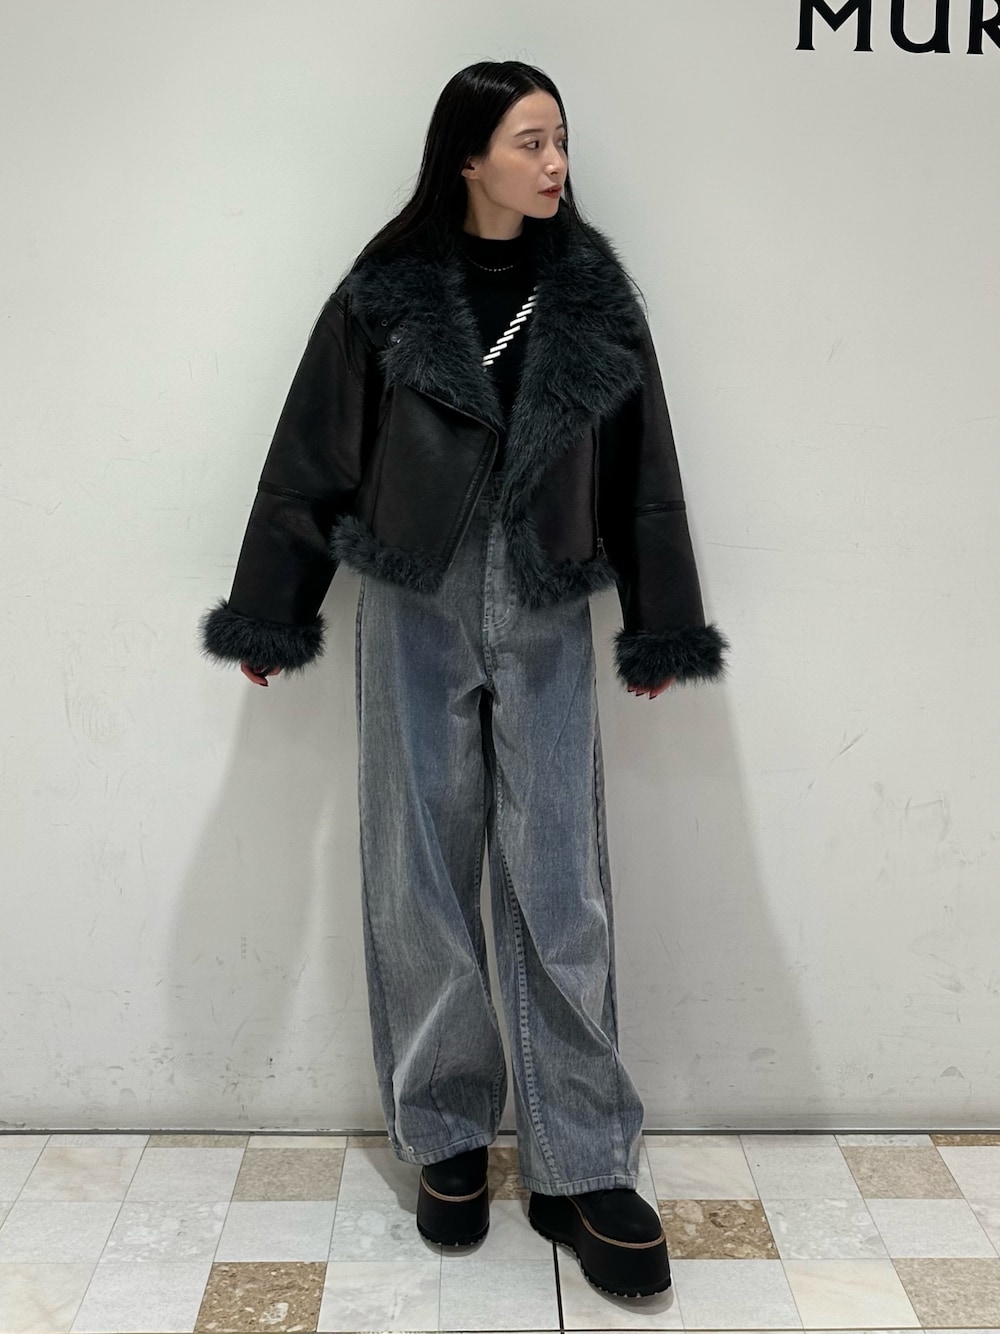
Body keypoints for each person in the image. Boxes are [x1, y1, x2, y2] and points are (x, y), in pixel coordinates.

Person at [199, 60, 729, 1300]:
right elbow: (313, 450)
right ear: (467, 156)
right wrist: (273, 607)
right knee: (418, 867)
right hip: (414, 594)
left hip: (545, 592)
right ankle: (444, 1129)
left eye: (561, 141)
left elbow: (645, 466)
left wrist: (661, 622)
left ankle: (578, 1157)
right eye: (530, 142)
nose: (555, 165)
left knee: (560, 878)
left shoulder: (592, 296)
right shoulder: (384, 295)